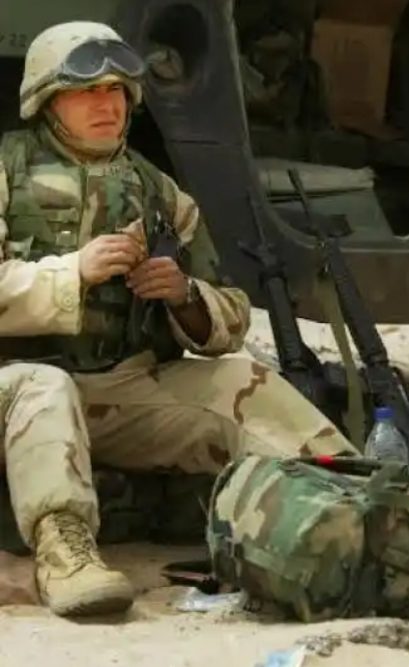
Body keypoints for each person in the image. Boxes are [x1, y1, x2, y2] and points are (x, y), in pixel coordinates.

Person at [0, 21, 357, 617]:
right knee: (46, 385)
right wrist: (72, 273)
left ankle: (368, 508)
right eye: (86, 92)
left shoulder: (156, 191)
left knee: (243, 381)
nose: (106, 105)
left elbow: (232, 314)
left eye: (116, 91)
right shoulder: (7, 172)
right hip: (15, 389)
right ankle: (66, 556)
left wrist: (184, 296)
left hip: (119, 391)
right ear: (45, 100)